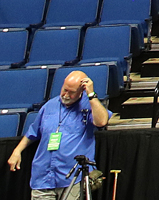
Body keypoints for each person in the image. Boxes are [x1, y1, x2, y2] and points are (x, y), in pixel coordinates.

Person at [7, 69, 110, 198]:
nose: (66, 95)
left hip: (72, 178)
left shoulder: (89, 106)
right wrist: (17, 151)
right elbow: (33, 132)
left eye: (71, 92)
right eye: (65, 89)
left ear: (82, 90)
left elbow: (102, 121)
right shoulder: (49, 106)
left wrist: (91, 95)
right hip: (43, 177)